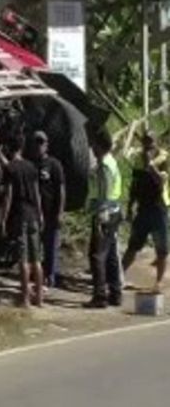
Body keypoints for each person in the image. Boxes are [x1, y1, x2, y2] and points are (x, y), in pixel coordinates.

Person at [122, 131, 169, 291]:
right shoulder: (138, 159)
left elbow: (161, 181)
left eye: (150, 141)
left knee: (161, 248)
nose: (147, 145)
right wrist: (130, 207)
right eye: (145, 142)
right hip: (143, 208)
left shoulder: (163, 158)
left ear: (156, 142)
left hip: (159, 207)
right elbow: (134, 186)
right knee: (133, 245)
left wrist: (150, 165)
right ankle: (119, 276)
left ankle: (159, 281)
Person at [1, 134, 44, 307]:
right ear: (22, 147)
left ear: (10, 149)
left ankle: (25, 298)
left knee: (23, 260)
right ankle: (39, 297)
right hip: (33, 214)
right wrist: (40, 215)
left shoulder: (11, 168)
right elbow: (37, 193)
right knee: (37, 259)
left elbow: (8, 196)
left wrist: (3, 219)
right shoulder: (31, 167)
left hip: (20, 216)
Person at [84, 129, 123, 308]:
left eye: (94, 144)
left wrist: (100, 216)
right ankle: (115, 293)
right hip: (114, 212)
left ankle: (100, 296)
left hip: (105, 214)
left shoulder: (104, 166)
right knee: (111, 255)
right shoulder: (110, 162)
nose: (91, 147)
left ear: (99, 145)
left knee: (97, 255)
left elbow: (104, 192)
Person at [33, 131, 65, 288]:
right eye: (36, 142)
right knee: (36, 246)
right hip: (35, 213)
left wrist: (60, 212)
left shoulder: (54, 164)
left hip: (51, 211)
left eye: (41, 142)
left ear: (47, 144)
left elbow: (61, 189)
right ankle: (39, 277)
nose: (38, 145)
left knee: (51, 246)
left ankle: (50, 277)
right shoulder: (32, 165)